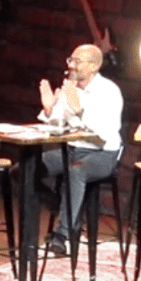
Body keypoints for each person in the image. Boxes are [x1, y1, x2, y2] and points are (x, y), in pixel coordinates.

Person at [36, 43, 123, 252]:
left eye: (77, 61)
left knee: (75, 171)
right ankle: (68, 214)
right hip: (71, 150)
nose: (71, 65)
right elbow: (59, 124)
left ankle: (62, 235)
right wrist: (49, 110)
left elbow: (105, 132)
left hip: (103, 154)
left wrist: (79, 110)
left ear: (94, 67)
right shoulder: (69, 89)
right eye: (70, 60)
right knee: (23, 170)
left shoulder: (109, 91)